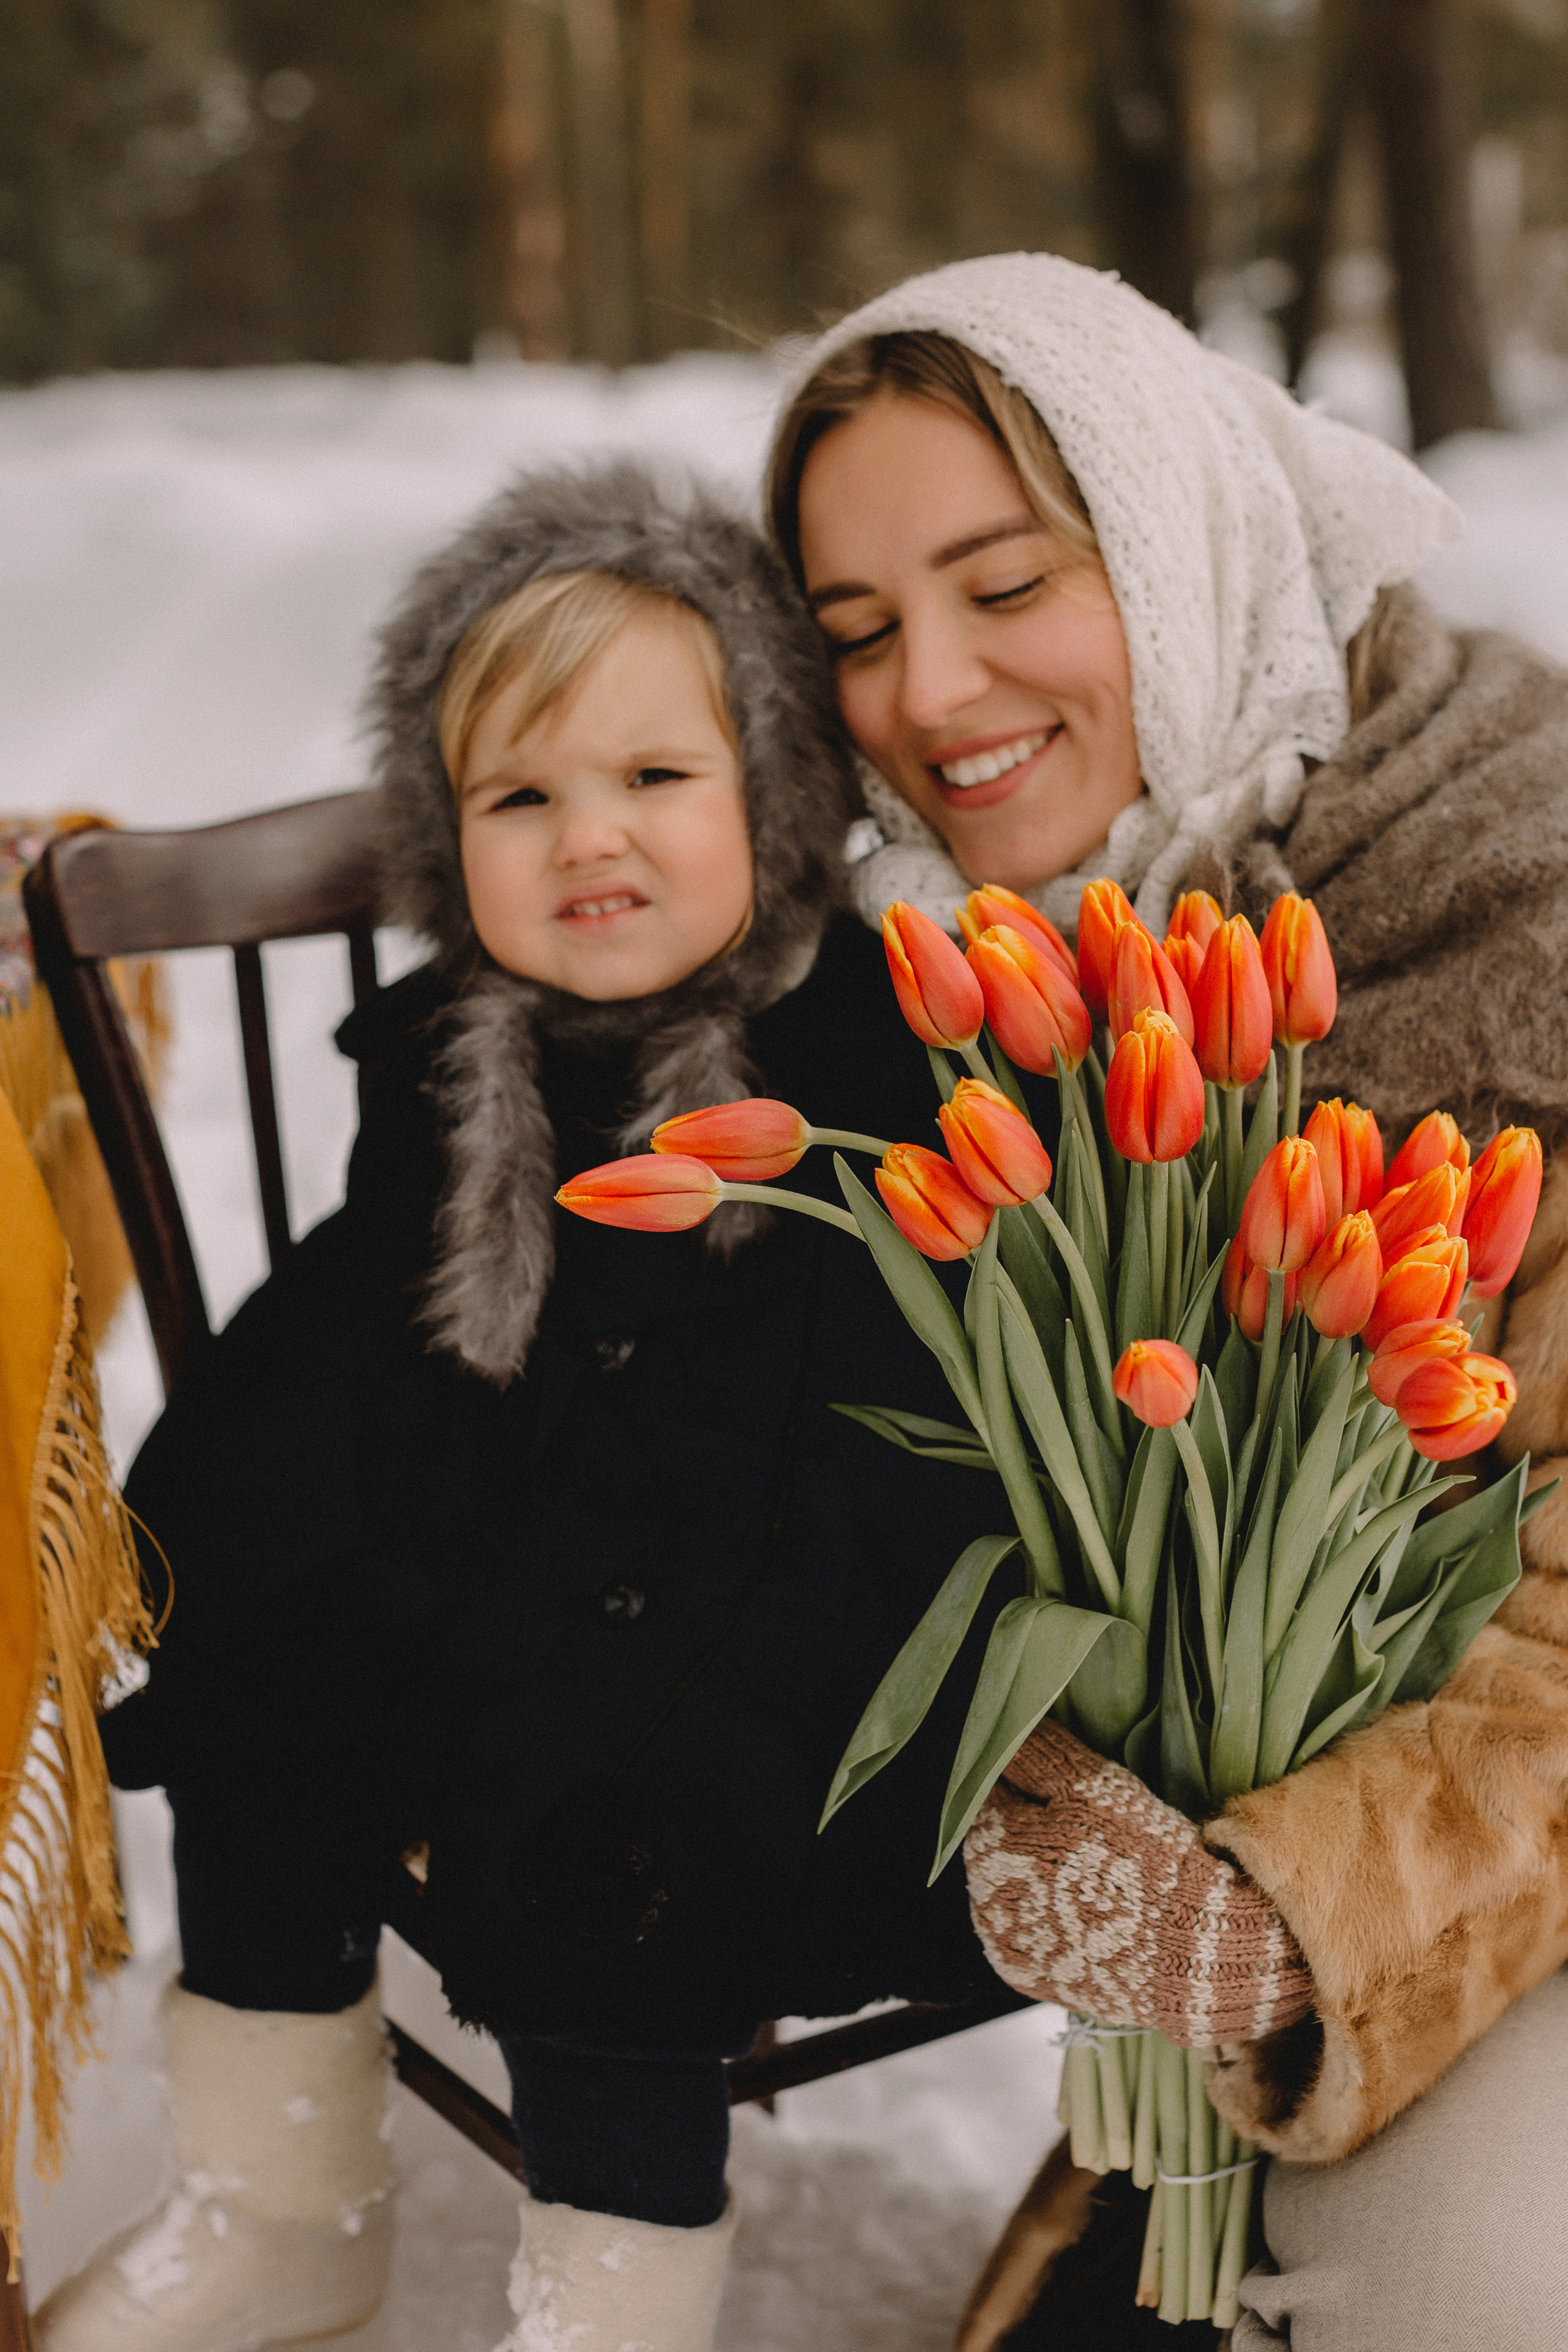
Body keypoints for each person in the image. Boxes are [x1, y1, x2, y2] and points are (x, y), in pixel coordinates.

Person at [36, 466, 1028, 2352]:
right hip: (492, 1537)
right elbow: (353, 1354)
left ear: (780, 796)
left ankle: (614, 2290)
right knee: (264, 1669)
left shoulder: (855, 1065)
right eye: (519, 797)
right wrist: (268, 1557)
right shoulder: (451, 1060)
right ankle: (280, 2197)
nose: (592, 837)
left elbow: (856, 1414)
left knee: (613, 1807)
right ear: (448, 835)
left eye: (656, 779)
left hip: (774, 1596)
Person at [766, 253, 1568, 2351]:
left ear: (1188, 541)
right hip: (1369, 1901)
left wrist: (1289, 1915)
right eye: (854, 630)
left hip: (1487, 1857)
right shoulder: (1021, 948)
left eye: (1007, 584)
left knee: (1476, 2287)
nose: (930, 694)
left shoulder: (1524, 917)